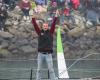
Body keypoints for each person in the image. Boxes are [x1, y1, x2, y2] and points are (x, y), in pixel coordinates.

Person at [32, 10, 59, 80]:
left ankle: (53, 79)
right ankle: (38, 79)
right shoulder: (39, 32)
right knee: (39, 69)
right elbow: (35, 25)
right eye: (44, 26)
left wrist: (56, 16)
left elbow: (53, 24)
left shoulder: (51, 32)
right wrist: (33, 17)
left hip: (48, 54)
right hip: (40, 54)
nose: (45, 27)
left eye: (46, 26)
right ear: (42, 27)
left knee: (51, 69)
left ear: (48, 27)